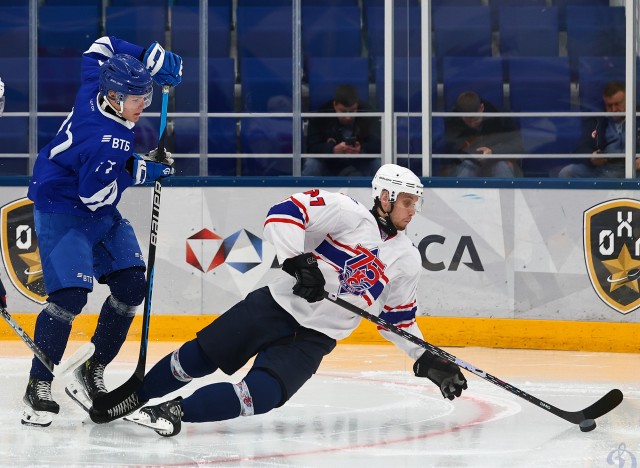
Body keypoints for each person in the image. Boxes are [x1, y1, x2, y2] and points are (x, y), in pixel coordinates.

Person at [87, 164, 468, 437]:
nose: (411, 210)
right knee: (197, 358)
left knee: (265, 395)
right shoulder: (348, 213)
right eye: (406, 201)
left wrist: (428, 359)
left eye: (415, 203)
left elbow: (397, 319)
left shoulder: (407, 258)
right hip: (275, 307)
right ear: (384, 197)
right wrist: (297, 261)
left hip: (315, 338)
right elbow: (284, 213)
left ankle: (173, 411)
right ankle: (133, 396)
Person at [21, 35, 182, 427]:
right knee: (70, 296)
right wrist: (142, 169)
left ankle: (90, 369)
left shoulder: (98, 82)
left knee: (130, 287)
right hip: (62, 206)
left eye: (147, 94)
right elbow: (93, 197)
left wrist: (149, 56)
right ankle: (37, 387)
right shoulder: (108, 139)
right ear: (114, 96)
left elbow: (102, 44)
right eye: (137, 98)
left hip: (94, 203)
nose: (144, 104)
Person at [558, 81, 640, 178]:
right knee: (567, 172)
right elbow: (582, 146)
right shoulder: (598, 120)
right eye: (609, 105)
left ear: (629, 100)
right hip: (606, 169)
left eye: (618, 104)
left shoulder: (638, 116)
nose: (614, 110)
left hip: (635, 169)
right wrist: (591, 157)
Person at [303, 84, 381, 177]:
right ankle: (310, 191)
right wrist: (332, 150)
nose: (348, 117)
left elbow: (378, 144)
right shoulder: (321, 116)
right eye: (343, 111)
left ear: (357, 105)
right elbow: (311, 147)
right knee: (312, 164)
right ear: (334, 105)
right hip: (330, 164)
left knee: (377, 164)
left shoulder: (369, 115)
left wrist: (361, 150)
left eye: (352, 111)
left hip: (360, 162)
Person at [444, 91, 524, 177]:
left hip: (496, 160)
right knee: (465, 168)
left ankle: (507, 190)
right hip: (469, 163)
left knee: (502, 167)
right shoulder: (453, 122)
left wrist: (493, 151)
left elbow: (517, 145)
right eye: (468, 121)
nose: (472, 124)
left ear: (482, 108)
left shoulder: (499, 117)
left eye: (476, 119)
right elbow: (451, 151)